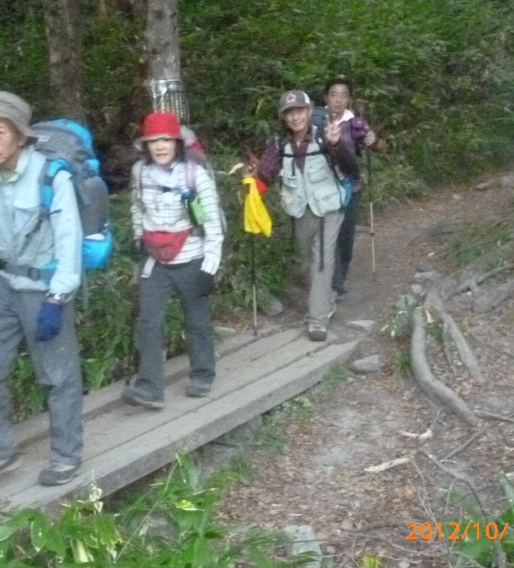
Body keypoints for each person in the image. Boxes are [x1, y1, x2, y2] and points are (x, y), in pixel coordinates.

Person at [0, 90, 84, 488]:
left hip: (44, 287)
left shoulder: (52, 176)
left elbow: (69, 241)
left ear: (20, 136)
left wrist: (58, 297)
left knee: (57, 373)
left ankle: (66, 455)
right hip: (0, 284)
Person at [122, 112, 225, 409]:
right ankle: (150, 388)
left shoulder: (195, 175)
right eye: (153, 141)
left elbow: (212, 222)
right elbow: (136, 207)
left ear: (177, 143)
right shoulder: (140, 172)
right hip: (155, 259)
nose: (160, 146)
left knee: (197, 321)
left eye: (166, 139)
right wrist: (138, 237)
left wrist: (210, 266)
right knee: (149, 322)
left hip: (192, 256)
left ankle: (203, 374)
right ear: (146, 146)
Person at [251, 90, 357, 342]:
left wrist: (336, 145)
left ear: (309, 112)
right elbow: (266, 174)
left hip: (330, 208)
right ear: (283, 117)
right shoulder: (279, 145)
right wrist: (251, 183)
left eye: (300, 110)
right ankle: (326, 296)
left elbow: (351, 167)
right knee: (305, 259)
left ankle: (317, 319)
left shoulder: (325, 137)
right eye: (290, 112)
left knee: (322, 259)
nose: (295, 116)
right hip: (300, 210)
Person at [321, 76, 376, 296]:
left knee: (345, 237)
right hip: (322, 188)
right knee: (326, 237)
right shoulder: (316, 120)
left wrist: (374, 140)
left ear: (349, 99)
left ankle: (340, 277)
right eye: (334, 94)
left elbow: (380, 147)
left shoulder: (355, 123)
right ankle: (332, 284)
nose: (338, 100)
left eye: (344, 95)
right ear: (326, 97)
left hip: (349, 188)